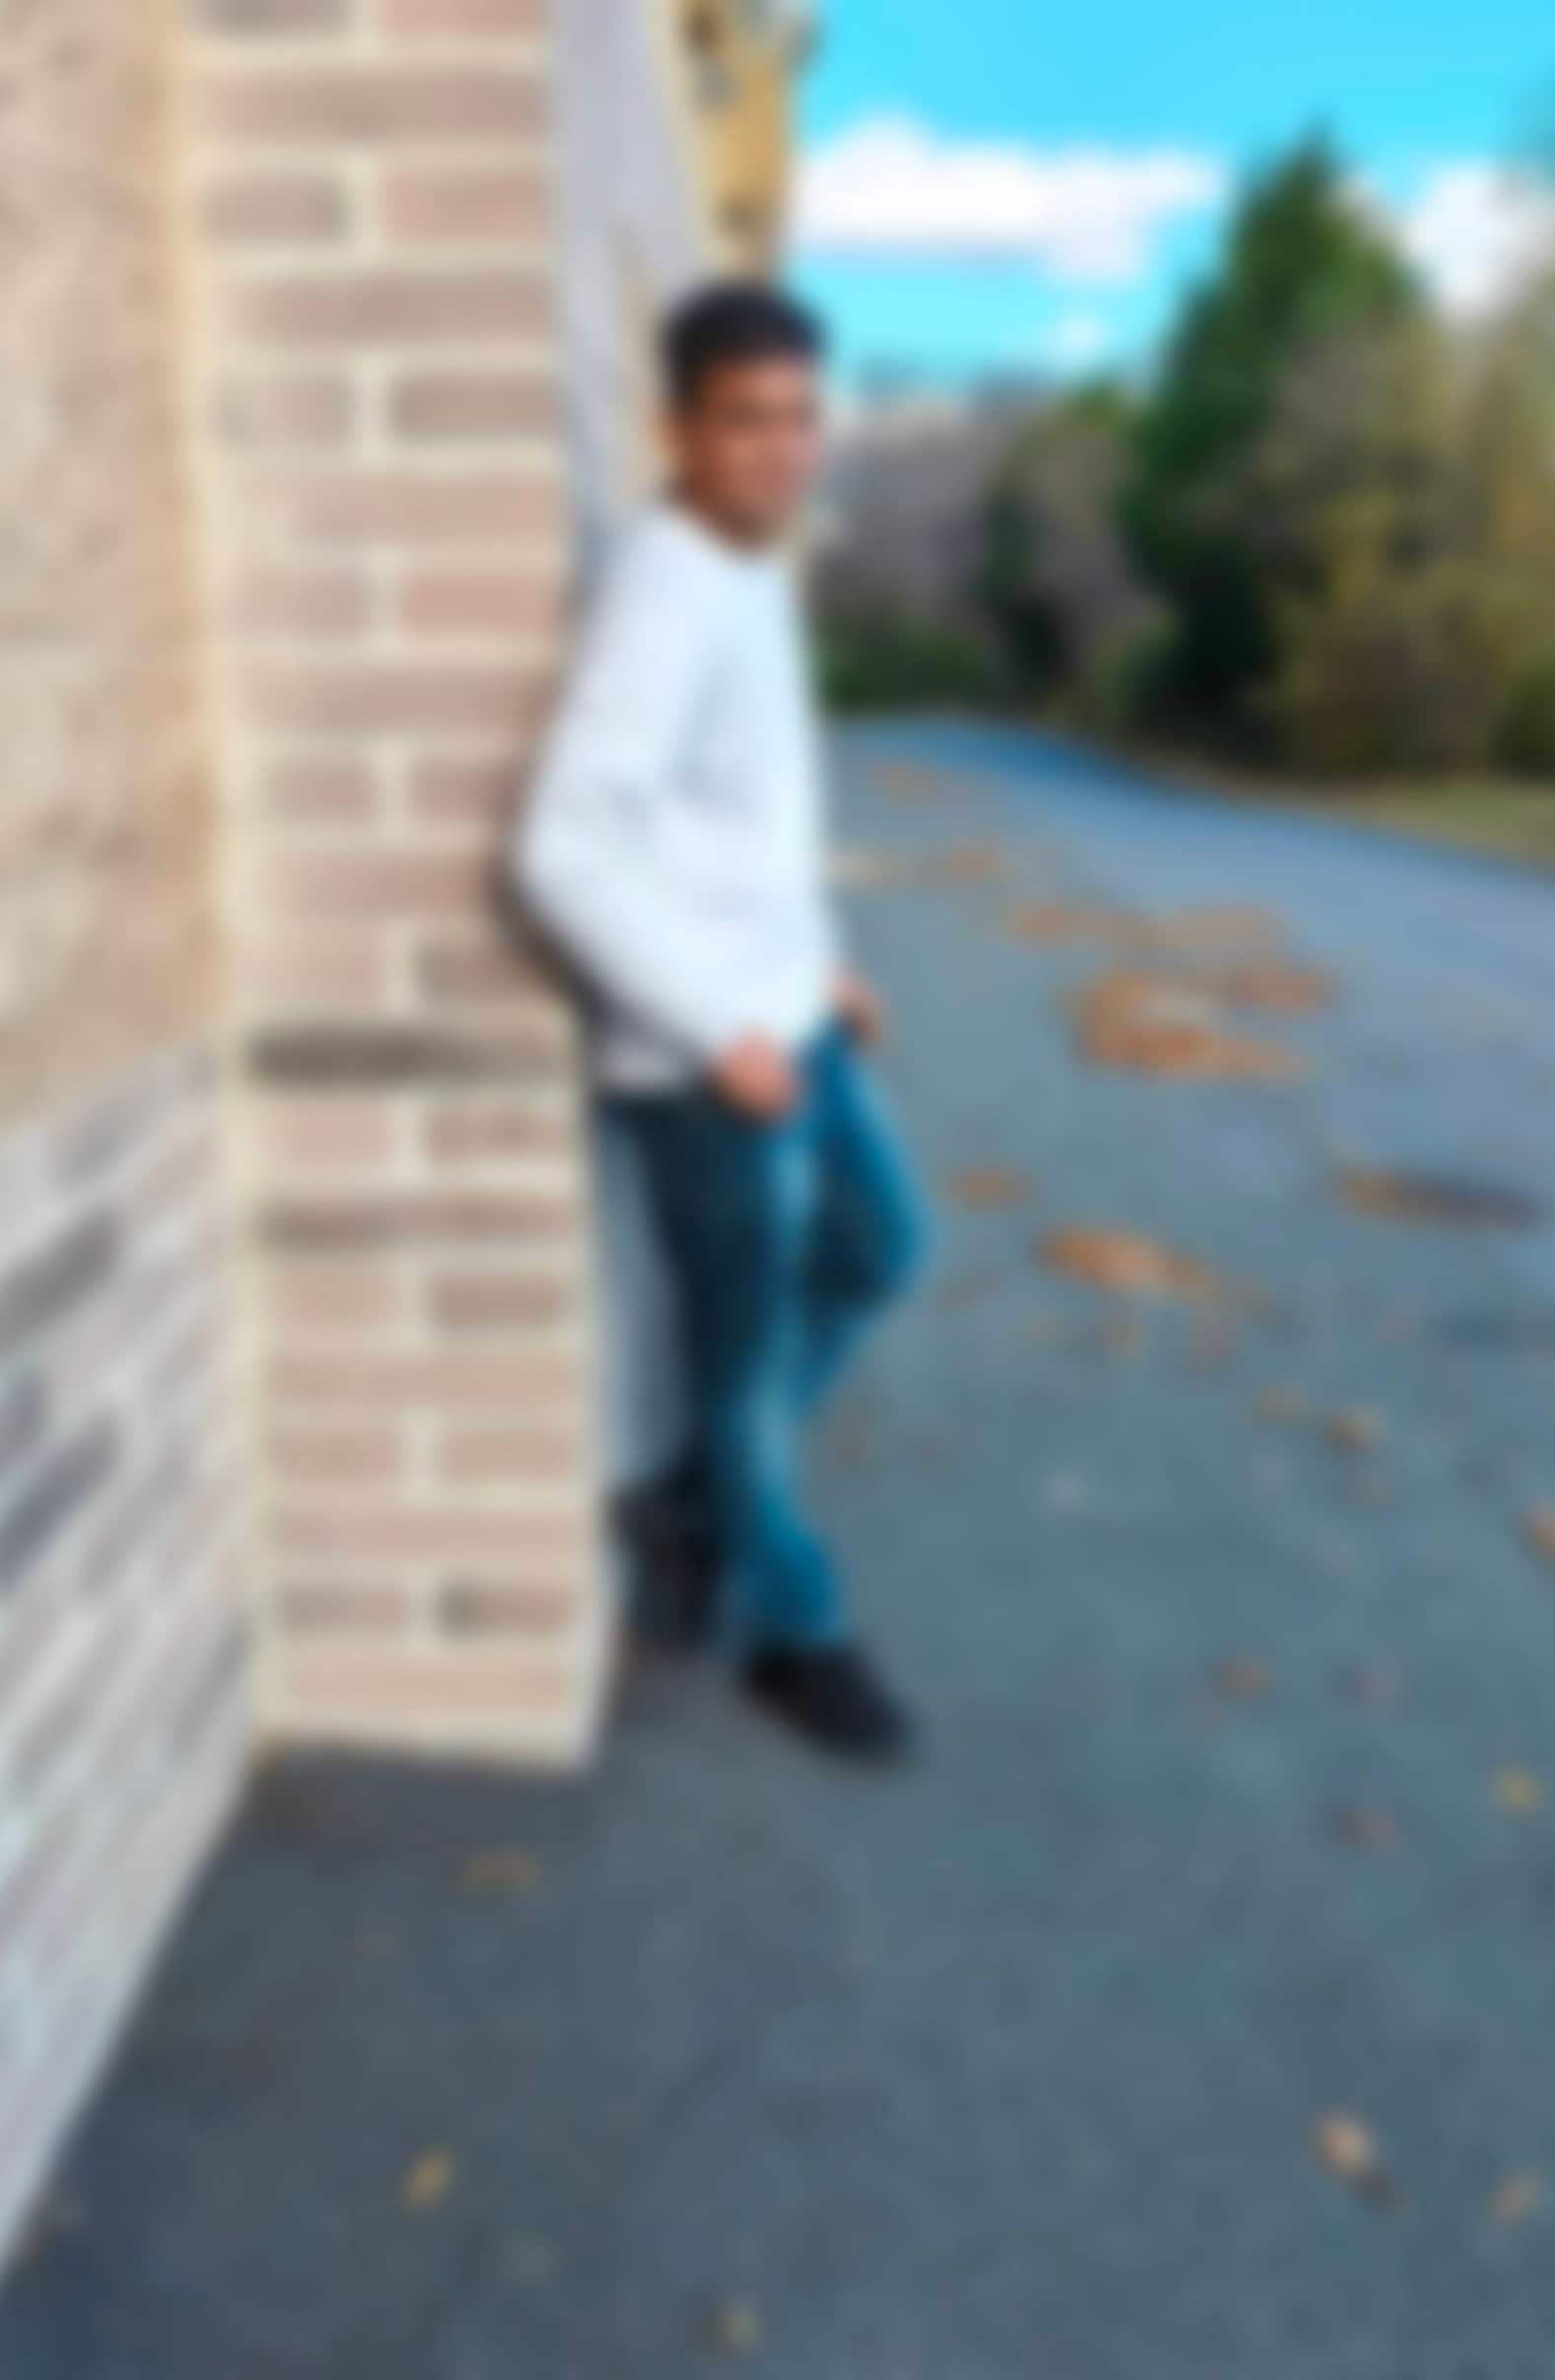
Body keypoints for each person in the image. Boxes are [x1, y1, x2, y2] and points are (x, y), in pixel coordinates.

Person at [514, 283, 929, 1763]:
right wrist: (714, 1027)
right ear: (677, 428)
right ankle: (798, 1625)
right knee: (745, 1366)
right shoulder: (666, 590)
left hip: (785, 1021)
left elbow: (746, 831)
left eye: (801, 416)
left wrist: (823, 968)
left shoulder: (749, 575)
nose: (781, 447)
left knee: (881, 1248)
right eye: (746, 419)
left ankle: (693, 1508)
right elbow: (562, 849)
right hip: (708, 1067)